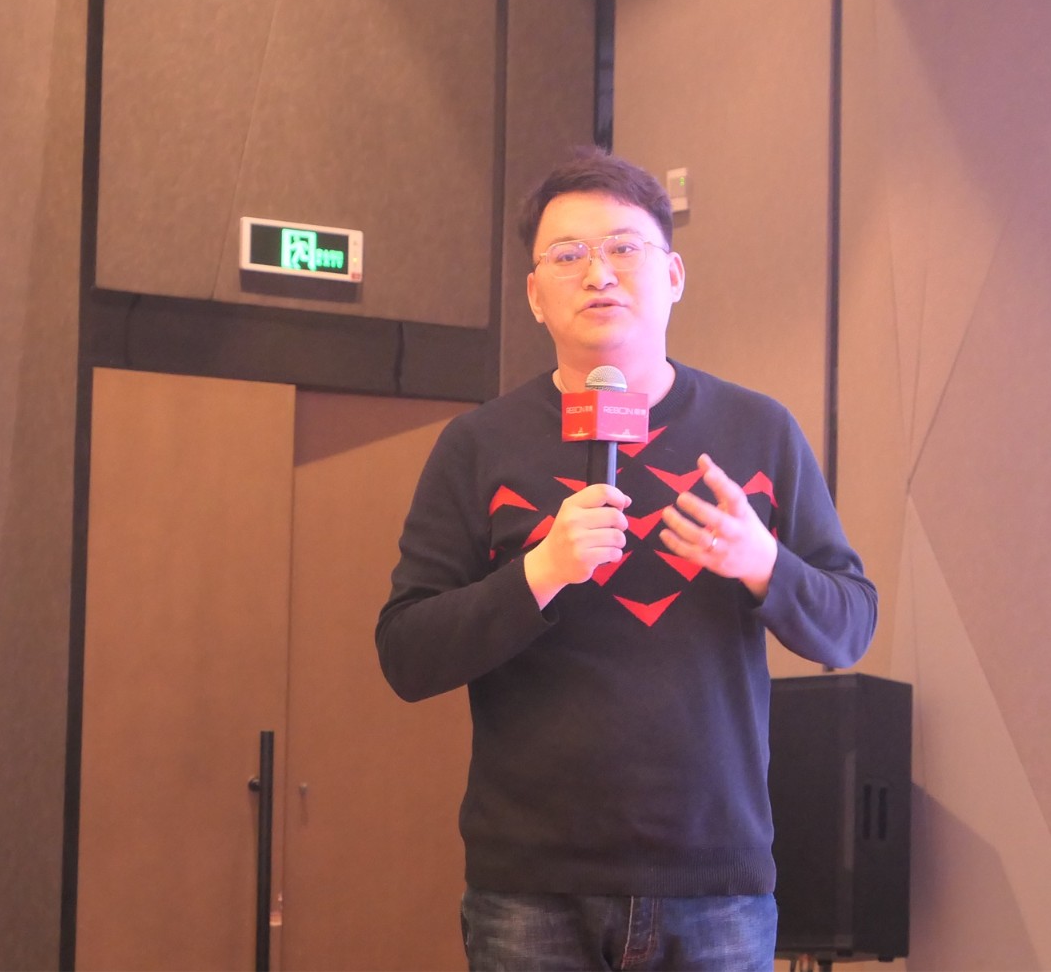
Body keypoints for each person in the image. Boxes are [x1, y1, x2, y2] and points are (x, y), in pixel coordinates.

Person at [375, 148, 877, 971]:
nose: (598, 273)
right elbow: (406, 652)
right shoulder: (478, 445)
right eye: (568, 255)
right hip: (531, 888)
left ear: (673, 275)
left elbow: (849, 626)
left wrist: (763, 562)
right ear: (535, 296)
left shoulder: (759, 431)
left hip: (716, 883)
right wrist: (539, 573)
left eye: (624, 248)